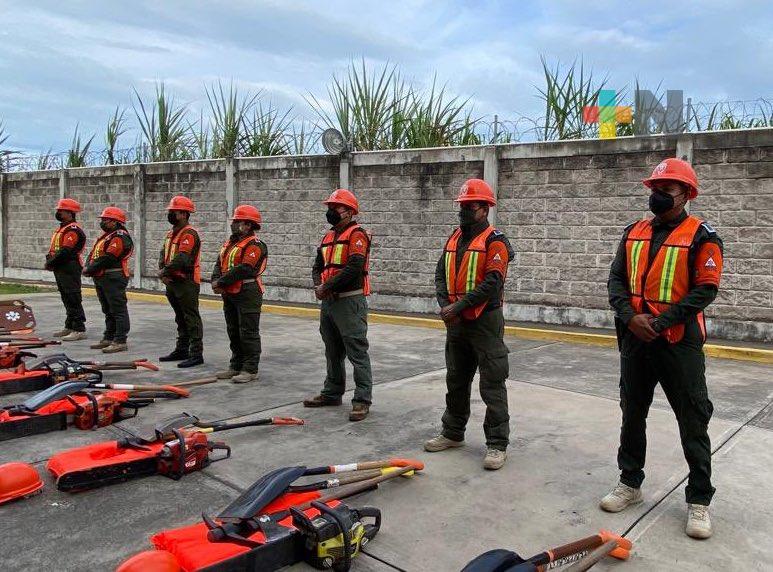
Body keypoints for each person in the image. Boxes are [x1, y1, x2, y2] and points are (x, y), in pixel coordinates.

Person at [601, 158, 723, 540]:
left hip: (678, 344)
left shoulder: (702, 236)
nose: (658, 194)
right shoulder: (633, 232)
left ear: (686, 194)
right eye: (655, 187)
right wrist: (630, 317)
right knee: (632, 412)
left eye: (667, 188)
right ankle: (630, 482)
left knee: (692, 418)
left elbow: (706, 289)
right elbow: (616, 279)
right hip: (635, 338)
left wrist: (660, 322)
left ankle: (699, 500)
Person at [424, 179, 514, 470]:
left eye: (469, 206)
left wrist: (458, 307)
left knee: (492, 383)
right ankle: (452, 432)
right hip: (456, 323)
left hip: (484, 321)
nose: (463, 210)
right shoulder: (454, 237)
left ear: (484, 208)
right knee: (456, 380)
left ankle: (497, 444)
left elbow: (492, 283)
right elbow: (440, 273)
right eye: (461, 205)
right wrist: (444, 306)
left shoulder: (495, 240)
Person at [303, 189, 374, 422]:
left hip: (349, 301)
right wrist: (318, 286)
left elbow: (354, 267)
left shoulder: (357, 235)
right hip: (329, 302)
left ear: (350, 211)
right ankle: (332, 392)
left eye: (335, 207)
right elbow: (317, 266)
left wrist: (327, 286)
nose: (330, 212)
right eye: (329, 207)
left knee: (356, 351)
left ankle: (362, 400)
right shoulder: (328, 237)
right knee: (332, 350)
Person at [211, 205, 267, 383]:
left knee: (248, 331)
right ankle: (235, 366)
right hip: (230, 292)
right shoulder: (230, 243)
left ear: (248, 225)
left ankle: (250, 369)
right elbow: (219, 263)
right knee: (233, 330)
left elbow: (245, 268)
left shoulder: (255, 245)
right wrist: (216, 281)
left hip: (247, 292)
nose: (233, 224)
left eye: (237, 221)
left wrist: (221, 282)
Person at [158, 195, 204, 368]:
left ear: (184, 214)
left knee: (191, 318)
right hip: (172, 281)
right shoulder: (171, 233)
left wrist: (164, 271)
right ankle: (182, 349)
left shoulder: (189, 234)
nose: (170, 214)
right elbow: (164, 254)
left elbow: (183, 259)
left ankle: (196, 353)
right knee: (180, 318)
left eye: (173, 211)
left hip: (186, 282)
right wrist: (163, 272)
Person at [83, 206, 134, 354]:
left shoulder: (119, 236)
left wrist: (90, 269)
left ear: (115, 222)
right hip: (101, 276)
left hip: (113, 276)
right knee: (107, 309)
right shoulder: (107, 236)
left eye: (106, 220)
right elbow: (94, 254)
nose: (103, 222)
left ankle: (120, 340)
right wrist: (88, 266)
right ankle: (109, 337)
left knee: (118, 309)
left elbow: (109, 257)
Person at [44, 198, 87, 341]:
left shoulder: (72, 230)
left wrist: (51, 262)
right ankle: (69, 325)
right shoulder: (63, 228)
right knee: (66, 297)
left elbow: (65, 251)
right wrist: (50, 260)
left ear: (70, 213)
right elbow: (56, 249)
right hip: (61, 266)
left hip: (69, 266)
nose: (58, 212)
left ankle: (79, 328)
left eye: (61, 211)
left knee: (72, 297)